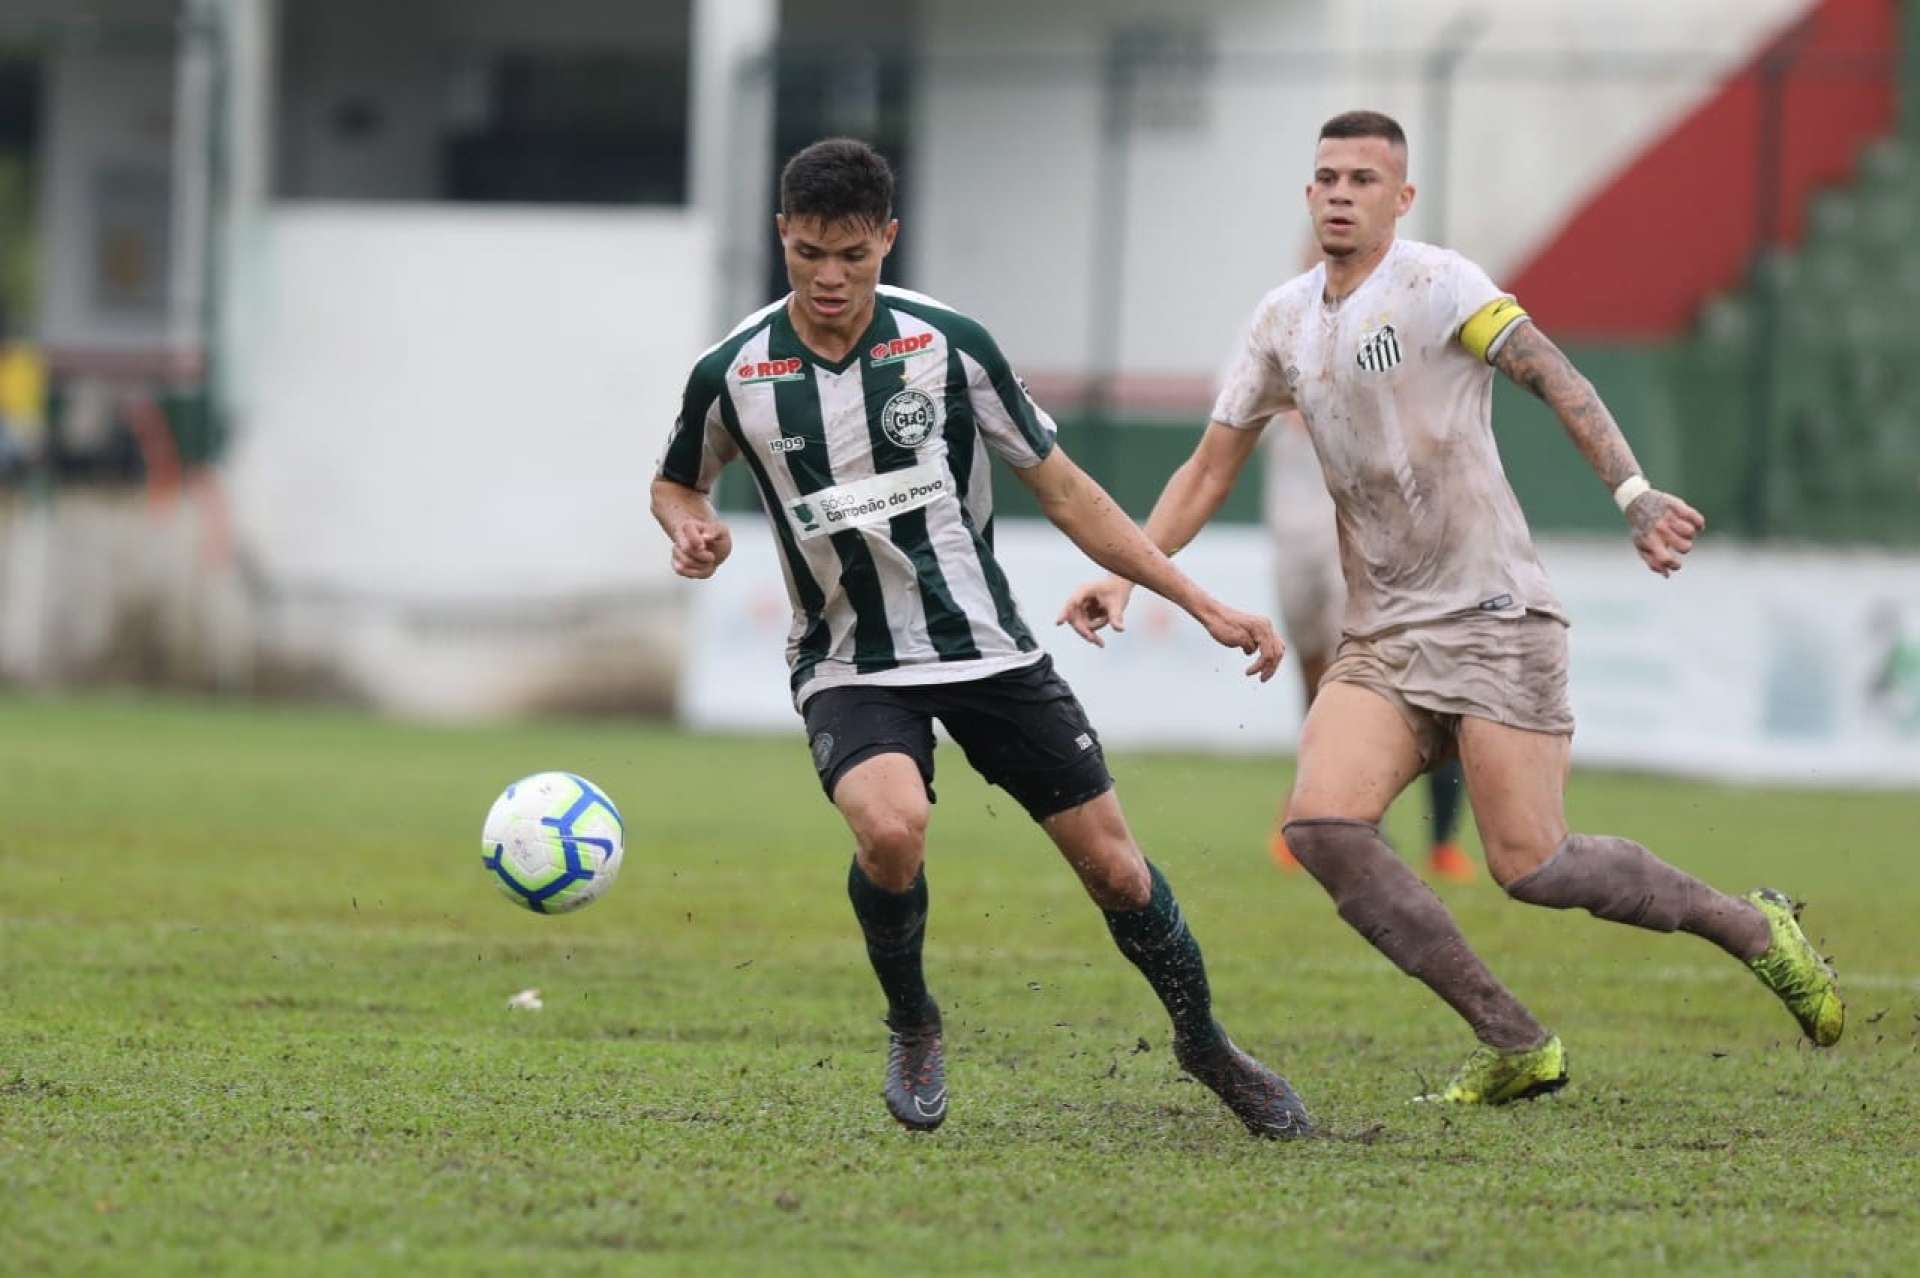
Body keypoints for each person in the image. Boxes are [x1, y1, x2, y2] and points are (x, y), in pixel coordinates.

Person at [1060, 110, 1844, 1104]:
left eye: (1362, 179)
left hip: (1493, 614)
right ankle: (1516, 1040)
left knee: (1534, 864)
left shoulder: (1441, 286)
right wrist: (1127, 571)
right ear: (1309, 195)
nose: (1341, 193)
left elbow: (1551, 374)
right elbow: (1211, 468)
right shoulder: (1281, 323)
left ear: (1401, 198)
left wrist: (1633, 494)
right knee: (1321, 828)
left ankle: (1749, 926)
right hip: (1382, 635)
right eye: (1326, 178)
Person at [651, 138, 1311, 1137]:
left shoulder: (950, 346)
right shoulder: (734, 369)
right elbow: (675, 480)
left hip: (990, 650)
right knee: (891, 827)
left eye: (854, 256)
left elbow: (1066, 490)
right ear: (781, 234)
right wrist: (687, 526)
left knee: (1120, 873)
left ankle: (1205, 1042)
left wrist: (1196, 600)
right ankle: (913, 1019)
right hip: (849, 660)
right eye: (810, 255)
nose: (831, 279)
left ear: (889, 240)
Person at [1261, 410, 1472, 882]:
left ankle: (1433, 841)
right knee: (1334, 685)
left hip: (1388, 552)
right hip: (1316, 545)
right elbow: (1240, 421)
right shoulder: (1267, 348)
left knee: (1417, 690)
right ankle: (1326, 816)